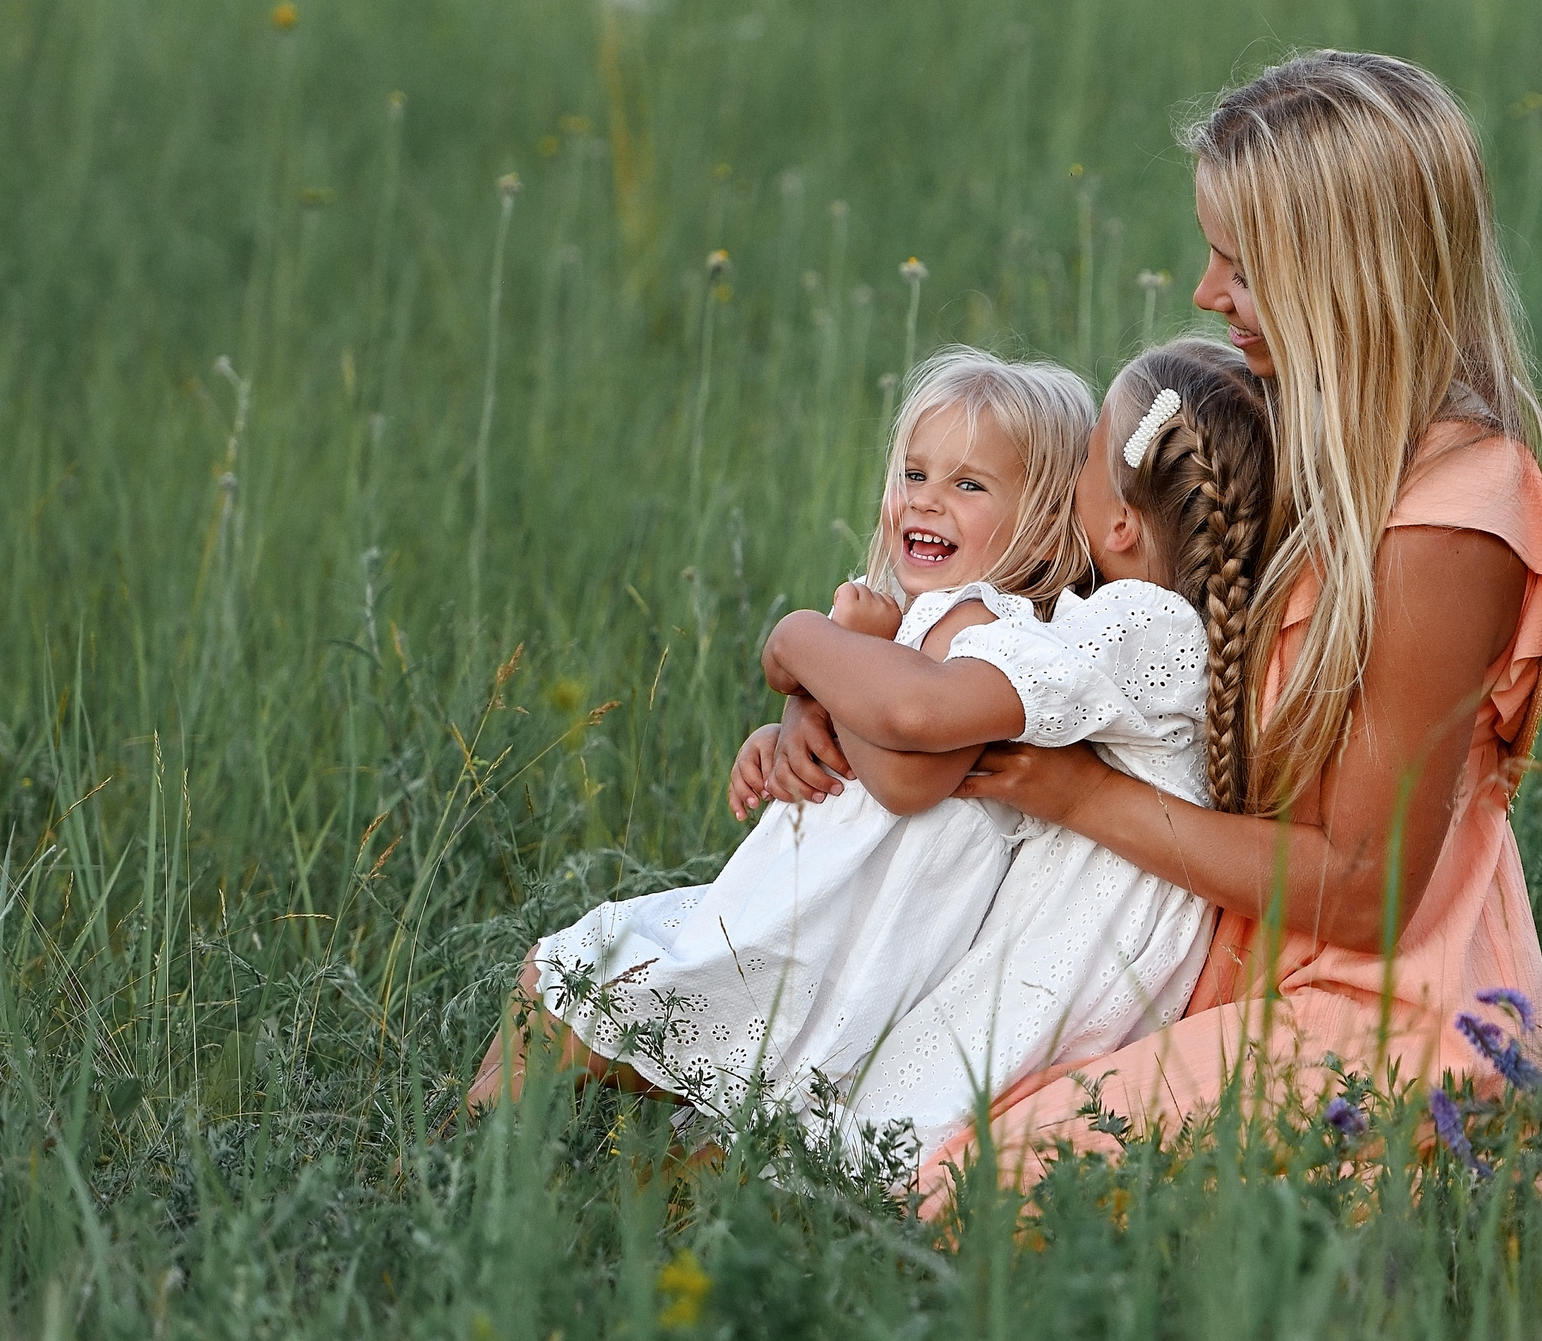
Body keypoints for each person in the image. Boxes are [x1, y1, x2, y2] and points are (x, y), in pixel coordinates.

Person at [913, 50, 1542, 1198]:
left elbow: (1362, 898)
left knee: (960, 1179)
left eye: (1244, 267)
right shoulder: (1320, 445)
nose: (1209, 292)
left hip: (1379, 1019)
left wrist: (1084, 797)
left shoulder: (1446, 527)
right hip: (1241, 959)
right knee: (894, 1091)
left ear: (1345, 278)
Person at [463, 347, 1095, 1117]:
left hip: (835, 950)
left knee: (575, 999)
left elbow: (906, 778)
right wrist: (791, 727)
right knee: (557, 976)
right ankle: (473, 1158)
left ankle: (461, 1167)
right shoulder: (922, 624)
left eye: (968, 484)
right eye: (914, 475)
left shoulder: (989, 633)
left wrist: (832, 654)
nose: (926, 501)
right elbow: (865, 744)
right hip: (799, 917)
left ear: (1047, 522)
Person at [764, 338, 1275, 1161]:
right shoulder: (1129, 621)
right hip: (1073, 917)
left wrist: (799, 644)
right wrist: (813, 707)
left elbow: (923, 714)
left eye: (1086, 461)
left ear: (1116, 519)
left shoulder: (1138, 624)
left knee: (897, 1124)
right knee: (885, 1103)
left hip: (1083, 937)